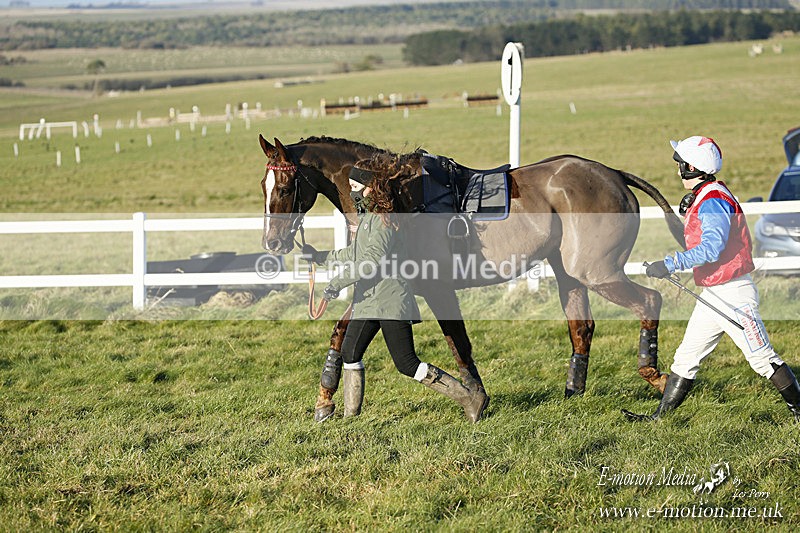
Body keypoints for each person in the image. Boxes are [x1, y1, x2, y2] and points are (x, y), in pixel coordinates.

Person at [624, 135, 800, 422]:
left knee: (762, 359)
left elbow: (711, 248)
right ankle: (660, 418)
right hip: (714, 294)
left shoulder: (713, 200)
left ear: (692, 168)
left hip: (734, 293)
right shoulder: (706, 195)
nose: (677, 169)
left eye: (680, 163)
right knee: (686, 357)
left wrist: (670, 264)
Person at [303, 160, 489, 423]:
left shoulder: (383, 220)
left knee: (407, 363)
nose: (353, 192)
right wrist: (320, 256)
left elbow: (370, 261)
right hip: (368, 301)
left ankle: (470, 398)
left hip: (390, 300)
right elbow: (354, 254)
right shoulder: (368, 218)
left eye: (357, 186)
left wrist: (335, 285)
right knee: (350, 352)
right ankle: (350, 418)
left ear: (371, 188)